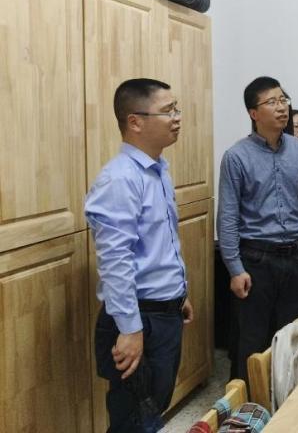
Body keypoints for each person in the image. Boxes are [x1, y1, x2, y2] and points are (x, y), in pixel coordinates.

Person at [86, 78, 193, 433]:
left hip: (164, 311)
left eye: (176, 109)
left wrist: (179, 294)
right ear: (135, 121)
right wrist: (129, 329)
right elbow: (116, 262)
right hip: (138, 318)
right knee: (134, 419)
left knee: (153, 409)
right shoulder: (120, 179)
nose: (177, 117)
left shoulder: (158, 170)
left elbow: (161, 245)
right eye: (168, 111)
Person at [218, 76, 298, 383]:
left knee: (295, 338)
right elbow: (228, 216)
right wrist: (235, 268)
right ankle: (247, 406)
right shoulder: (236, 156)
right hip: (256, 260)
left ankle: (290, 403)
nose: (281, 108)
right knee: (251, 341)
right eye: (272, 102)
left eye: (283, 100)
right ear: (254, 113)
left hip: (297, 257)